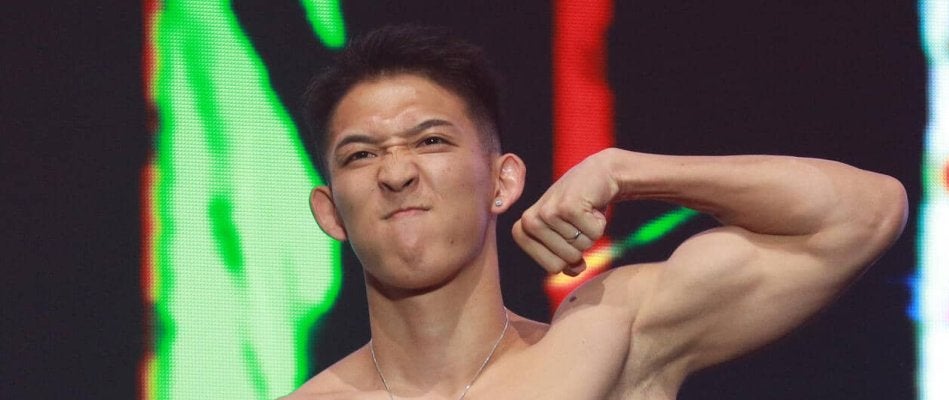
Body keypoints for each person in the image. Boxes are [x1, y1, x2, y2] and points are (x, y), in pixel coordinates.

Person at [283, 25, 908, 400]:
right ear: (330, 212)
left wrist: (625, 171)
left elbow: (864, 214)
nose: (396, 172)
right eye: (361, 154)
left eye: (431, 141)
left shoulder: (608, 341)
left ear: (503, 182)